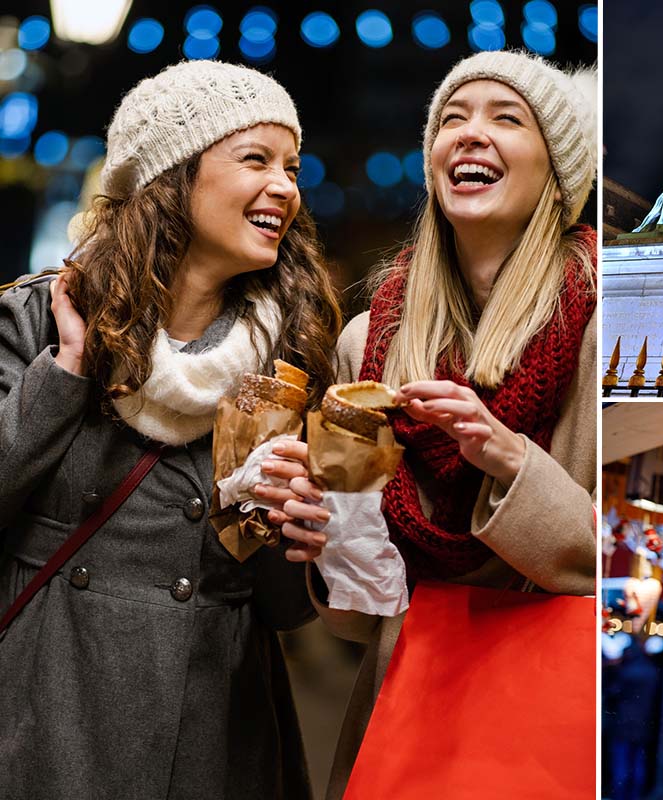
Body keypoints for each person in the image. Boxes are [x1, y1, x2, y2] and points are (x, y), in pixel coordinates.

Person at [0, 61, 340, 798]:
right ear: (169, 178)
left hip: (215, 733)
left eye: (292, 167)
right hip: (46, 719)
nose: (285, 186)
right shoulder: (36, 318)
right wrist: (68, 368)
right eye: (255, 159)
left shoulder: (288, 358)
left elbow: (282, 611)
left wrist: (296, 531)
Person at [271, 50, 597, 797]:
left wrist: (508, 458)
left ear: (556, 172)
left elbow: (603, 566)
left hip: (545, 716)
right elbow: (356, 621)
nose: (470, 134)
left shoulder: (607, 326)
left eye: (506, 119)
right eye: (453, 119)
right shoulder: (365, 345)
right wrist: (326, 532)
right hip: (410, 700)